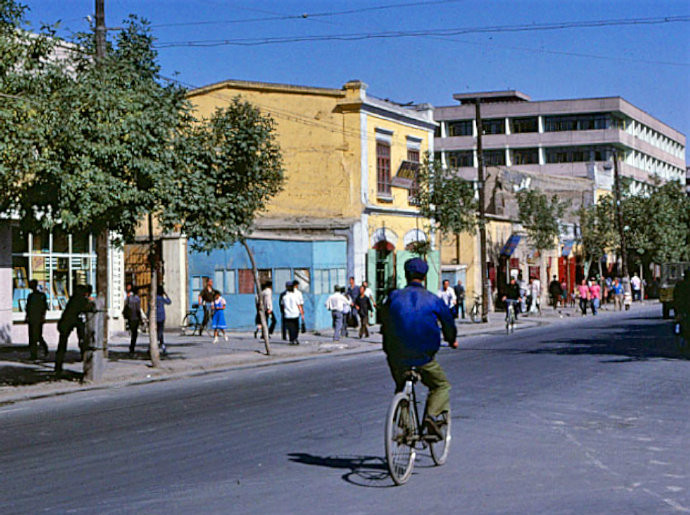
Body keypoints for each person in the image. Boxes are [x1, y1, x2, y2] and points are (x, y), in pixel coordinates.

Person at [381, 258, 458, 440]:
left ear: (406, 275)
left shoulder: (393, 297)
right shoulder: (433, 299)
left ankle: (407, 428)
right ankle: (431, 417)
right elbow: (448, 323)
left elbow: (382, 317)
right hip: (424, 356)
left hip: (396, 355)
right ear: (424, 276)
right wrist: (452, 340)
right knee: (441, 385)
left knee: (401, 386)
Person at [55, 284, 94, 375]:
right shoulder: (82, 300)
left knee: (62, 344)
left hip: (65, 322)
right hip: (74, 322)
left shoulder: (73, 299)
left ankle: (58, 366)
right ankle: (86, 364)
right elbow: (89, 308)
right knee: (82, 341)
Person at [25, 279, 49, 360]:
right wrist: (27, 317)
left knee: (38, 336)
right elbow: (28, 308)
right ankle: (33, 354)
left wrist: (43, 317)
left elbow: (44, 307)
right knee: (32, 336)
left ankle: (45, 348)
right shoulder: (30, 296)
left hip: (38, 319)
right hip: (32, 318)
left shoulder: (41, 295)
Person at [123, 285, 143, 356]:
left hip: (130, 317)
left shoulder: (129, 298)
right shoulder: (137, 299)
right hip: (135, 317)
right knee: (135, 334)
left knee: (133, 332)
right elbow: (138, 309)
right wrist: (141, 318)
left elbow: (126, 306)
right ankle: (132, 347)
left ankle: (132, 347)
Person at [152, 285, 172, 354]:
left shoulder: (154, 299)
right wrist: (166, 294)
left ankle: (162, 344)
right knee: (160, 331)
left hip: (155, 317)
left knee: (158, 331)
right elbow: (169, 302)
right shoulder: (161, 298)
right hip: (162, 316)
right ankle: (158, 343)